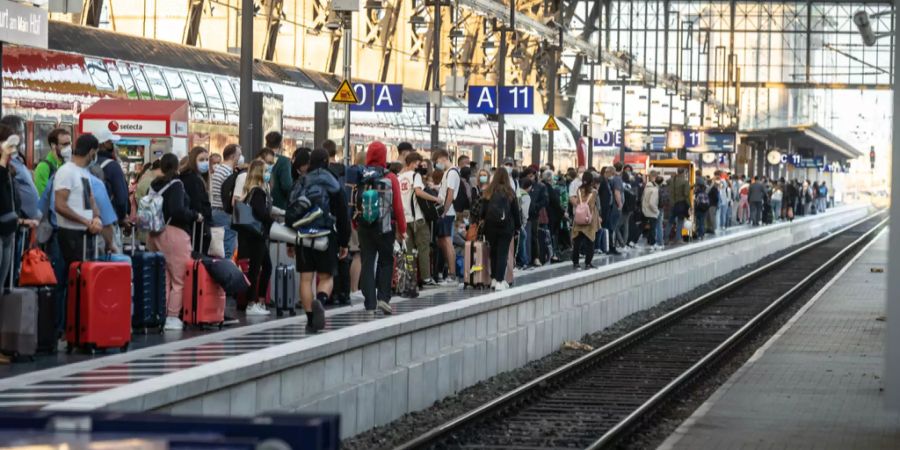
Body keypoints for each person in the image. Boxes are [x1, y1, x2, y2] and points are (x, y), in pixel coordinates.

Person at [294, 149, 351, 331]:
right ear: (326, 161)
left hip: (303, 235)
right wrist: (344, 242)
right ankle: (321, 300)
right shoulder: (333, 182)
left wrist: (290, 242)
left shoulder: (302, 180)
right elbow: (343, 214)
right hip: (326, 234)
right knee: (326, 277)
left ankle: (311, 319)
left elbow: (293, 210)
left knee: (305, 279)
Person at [148, 154, 203, 330]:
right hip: (175, 233)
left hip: (154, 233)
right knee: (179, 279)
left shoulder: (154, 184)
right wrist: (195, 215)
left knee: (164, 277)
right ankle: (172, 317)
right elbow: (177, 209)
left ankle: (160, 313)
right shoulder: (177, 184)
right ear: (177, 166)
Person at [358, 141, 406, 314]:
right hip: (386, 226)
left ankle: (369, 302)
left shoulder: (360, 174)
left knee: (367, 262)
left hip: (364, 226)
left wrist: (355, 222)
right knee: (386, 261)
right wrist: (402, 228)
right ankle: (383, 298)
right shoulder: (390, 176)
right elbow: (398, 206)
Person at [54, 134, 103, 298]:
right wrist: (85, 221)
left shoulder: (83, 172)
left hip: (85, 234)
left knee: (85, 280)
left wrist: (96, 218)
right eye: (95, 153)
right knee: (75, 279)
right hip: (71, 234)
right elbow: (60, 205)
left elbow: (90, 200)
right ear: (91, 152)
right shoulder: (66, 171)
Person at [235, 160, 276, 316]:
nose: (268, 173)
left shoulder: (249, 191)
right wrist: (271, 221)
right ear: (260, 173)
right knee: (258, 268)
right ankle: (253, 303)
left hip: (250, 234)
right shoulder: (258, 191)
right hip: (257, 234)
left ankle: (257, 301)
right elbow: (260, 212)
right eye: (266, 171)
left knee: (263, 267)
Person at [0, 126, 36, 286]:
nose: (13, 150)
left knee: (5, 280)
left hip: (9, 230)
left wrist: (20, 221)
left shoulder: (10, 168)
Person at [399, 152, 440, 286]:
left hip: (405, 219)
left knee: (409, 251)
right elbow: (418, 192)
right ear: (413, 163)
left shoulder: (399, 177)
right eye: (418, 164)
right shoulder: (415, 175)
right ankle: (426, 277)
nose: (419, 167)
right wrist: (435, 198)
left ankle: (410, 277)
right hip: (418, 218)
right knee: (423, 248)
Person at [479, 167, 521, 291]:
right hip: (506, 227)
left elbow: (483, 212)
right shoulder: (510, 192)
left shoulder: (488, 191)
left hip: (490, 227)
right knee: (503, 253)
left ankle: (493, 279)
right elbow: (515, 212)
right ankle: (500, 280)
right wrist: (517, 227)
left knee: (494, 252)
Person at [94, 129, 129, 252]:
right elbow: (121, 197)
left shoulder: (88, 164)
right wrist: (122, 217)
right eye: (111, 142)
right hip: (109, 224)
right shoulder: (113, 166)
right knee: (113, 263)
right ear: (105, 144)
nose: (114, 146)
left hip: (90, 224)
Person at [432, 149, 459, 285]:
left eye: (437, 162)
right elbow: (444, 190)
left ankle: (452, 275)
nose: (437, 165)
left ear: (443, 158)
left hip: (447, 213)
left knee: (447, 243)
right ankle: (449, 273)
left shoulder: (452, 173)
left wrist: (444, 211)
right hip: (445, 212)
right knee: (443, 242)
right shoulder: (448, 173)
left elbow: (450, 194)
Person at [180, 146, 212, 255]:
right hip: (196, 226)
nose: (205, 163)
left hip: (193, 225)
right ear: (194, 160)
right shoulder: (194, 180)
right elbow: (197, 203)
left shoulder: (192, 177)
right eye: (201, 160)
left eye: (207, 160)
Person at [210, 144, 240, 259]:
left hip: (216, 211)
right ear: (233, 156)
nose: (239, 158)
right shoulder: (228, 173)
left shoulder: (218, 169)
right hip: (224, 213)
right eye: (239, 155)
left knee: (217, 250)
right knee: (227, 250)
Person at [571, 171, 600, 269]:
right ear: (592, 180)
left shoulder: (579, 190)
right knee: (590, 242)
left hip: (579, 218)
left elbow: (577, 202)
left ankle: (575, 263)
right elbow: (592, 205)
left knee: (577, 242)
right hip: (589, 218)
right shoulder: (594, 191)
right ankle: (588, 263)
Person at [35, 128, 71, 197]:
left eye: (69, 143)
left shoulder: (67, 164)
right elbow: (42, 196)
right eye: (65, 144)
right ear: (53, 146)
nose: (69, 148)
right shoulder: (43, 167)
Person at [265, 132, 293, 211]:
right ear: (280, 144)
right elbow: (287, 185)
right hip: (278, 205)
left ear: (266, 143)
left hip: (260, 204)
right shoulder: (283, 161)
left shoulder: (259, 159)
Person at [667, 168, 690, 244]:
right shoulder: (685, 182)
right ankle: (678, 238)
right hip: (680, 204)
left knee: (670, 222)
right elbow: (686, 194)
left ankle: (666, 239)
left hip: (671, 204)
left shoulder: (671, 180)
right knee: (680, 221)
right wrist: (689, 205)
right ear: (683, 173)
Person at [515, 177, 532, 268]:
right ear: (529, 187)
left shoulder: (517, 191)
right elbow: (525, 212)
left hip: (513, 219)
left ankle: (521, 260)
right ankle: (523, 261)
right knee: (523, 238)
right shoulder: (526, 195)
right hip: (520, 221)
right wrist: (524, 222)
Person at [642, 173, 660, 249]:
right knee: (653, 228)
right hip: (652, 211)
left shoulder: (646, 188)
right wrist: (656, 211)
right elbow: (652, 203)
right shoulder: (654, 190)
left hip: (645, 210)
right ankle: (652, 243)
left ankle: (649, 242)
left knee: (648, 227)